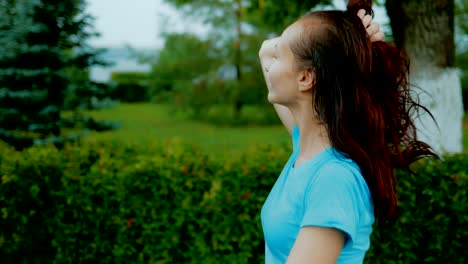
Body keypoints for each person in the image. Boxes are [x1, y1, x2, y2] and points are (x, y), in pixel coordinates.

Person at [258, 0, 436, 263]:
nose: (271, 66)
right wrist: (351, 40)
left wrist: (346, 42)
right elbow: (265, 50)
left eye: (281, 57)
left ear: (305, 78)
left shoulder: (333, 179)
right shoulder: (307, 148)